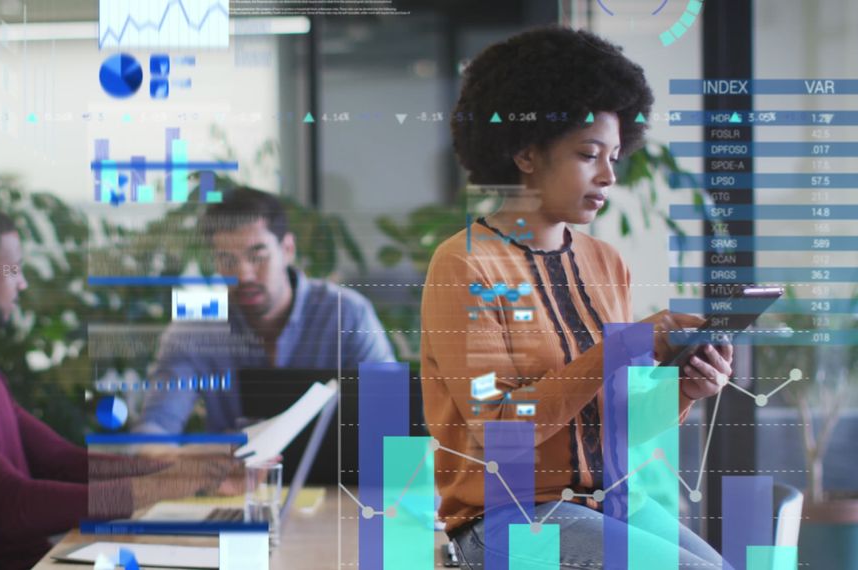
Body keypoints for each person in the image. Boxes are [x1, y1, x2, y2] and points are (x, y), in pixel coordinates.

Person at [420, 27, 735, 569]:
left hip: (607, 503)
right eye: (589, 154)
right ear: (524, 152)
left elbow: (615, 425)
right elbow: (501, 433)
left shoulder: (605, 263)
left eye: (615, 155)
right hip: (509, 518)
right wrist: (625, 345)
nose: (609, 176)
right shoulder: (465, 265)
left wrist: (683, 390)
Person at [0, 204, 237, 570]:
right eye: (15, 269)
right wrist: (168, 486)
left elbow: (61, 462)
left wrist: (177, 470)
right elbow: (12, 502)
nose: (22, 283)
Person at [135, 187, 395, 434]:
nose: (243, 274)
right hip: (237, 479)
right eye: (227, 260)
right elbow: (157, 425)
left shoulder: (347, 313)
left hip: (340, 480)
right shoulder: (195, 328)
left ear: (287, 250)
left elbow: (392, 420)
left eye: (257, 256)